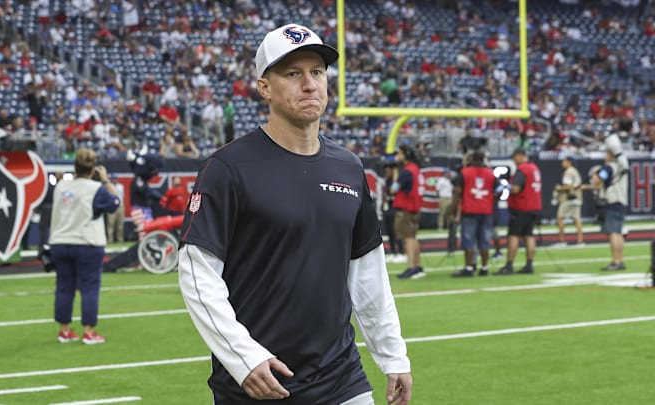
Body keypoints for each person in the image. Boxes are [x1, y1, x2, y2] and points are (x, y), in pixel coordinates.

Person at [178, 24, 412, 405]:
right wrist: (244, 358)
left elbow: (368, 272)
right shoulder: (228, 167)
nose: (310, 84)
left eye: (317, 72)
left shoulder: (349, 167)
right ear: (264, 87)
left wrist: (392, 355)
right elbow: (197, 272)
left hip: (341, 379)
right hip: (258, 383)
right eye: (293, 73)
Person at [48, 148, 120, 344]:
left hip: (60, 242)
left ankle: (64, 330)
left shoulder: (61, 186)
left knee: (64, 287)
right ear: (93, 169)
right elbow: (115, 202)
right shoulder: (95, 188)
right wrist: (105, 180)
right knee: (89, 288)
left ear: (75, 167)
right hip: (87, 243)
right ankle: (88, 331)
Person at [449, 151, 499, 277]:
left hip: (469, 210)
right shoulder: (490, 174)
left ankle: (469, 267)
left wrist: (453, 211)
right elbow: (499, 190)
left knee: (468, 240)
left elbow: (457, 192)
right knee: (484, 240)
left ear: (471, 159)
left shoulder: (465, 173)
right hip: (486, 210)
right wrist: (491, 201)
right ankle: (484, 267)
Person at [494, 147, 542, 275]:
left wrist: (505, 186)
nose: (514, 161)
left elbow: (515, 189)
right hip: (534, 206)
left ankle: (509, 265)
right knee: (529, 235)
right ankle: (529, 264)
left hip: (522, 206)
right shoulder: (534, 168)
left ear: (520, 156)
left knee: (513, 235)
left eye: (514, 158)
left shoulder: (523, 169)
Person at [582, 148, 628, 270]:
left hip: (612, 202)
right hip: (621, 201)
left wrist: (595, 173)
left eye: (607, 154)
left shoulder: (608, 167)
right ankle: (620, 260)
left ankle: (616, 262)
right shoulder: (621, 166)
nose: (605, 156)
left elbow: (597, 180)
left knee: (612, 232)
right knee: (618, 233)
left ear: (611, 155)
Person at [393, 145, 425, 280]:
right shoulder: (416, 169)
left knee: (408, 239)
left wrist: (395, 173)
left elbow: (393, 189)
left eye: (400, 154)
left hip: (406, 209)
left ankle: (411, 267)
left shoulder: (406, 171)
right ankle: (417, 266)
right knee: (413, 237)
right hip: (415, 208)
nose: (398, 157)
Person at [552, 156, 584, 246]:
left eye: (564, 161)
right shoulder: (574, 171)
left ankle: (562, 240)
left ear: (569, 162)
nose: (562, 163)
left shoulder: (569, 172)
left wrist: (559, 188)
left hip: (569, 198)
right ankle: (580, 240)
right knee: (576, 219)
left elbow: (568, 186)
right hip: (577, 197)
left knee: (560, 217)